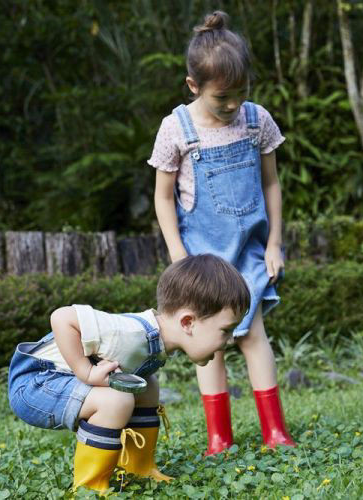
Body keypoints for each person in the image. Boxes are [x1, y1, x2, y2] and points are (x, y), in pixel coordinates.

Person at [149, 10, 296, 456]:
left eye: (239, 93)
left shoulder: (256, 121)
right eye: (221, 97)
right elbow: (162, 197)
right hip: (201, 256)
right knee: (209, 346)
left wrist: (274, 243)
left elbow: (271, 183)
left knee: (253, 335)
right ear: (194, 86)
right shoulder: (178, 128)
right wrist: (178, 254)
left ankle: (274, 430)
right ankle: (219, 436)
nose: (231, 105)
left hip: (249, 250)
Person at [7, 254, 250, 493]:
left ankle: (138, 467)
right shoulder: (130, 334)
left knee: (147, 385)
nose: (230, 340)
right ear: (187, 323)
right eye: (226, 330)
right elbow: (62, 317)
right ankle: (89, 488)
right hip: (35, 383)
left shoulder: (158, 341)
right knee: (117, 399)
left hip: (54, 382)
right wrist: (87, 372)